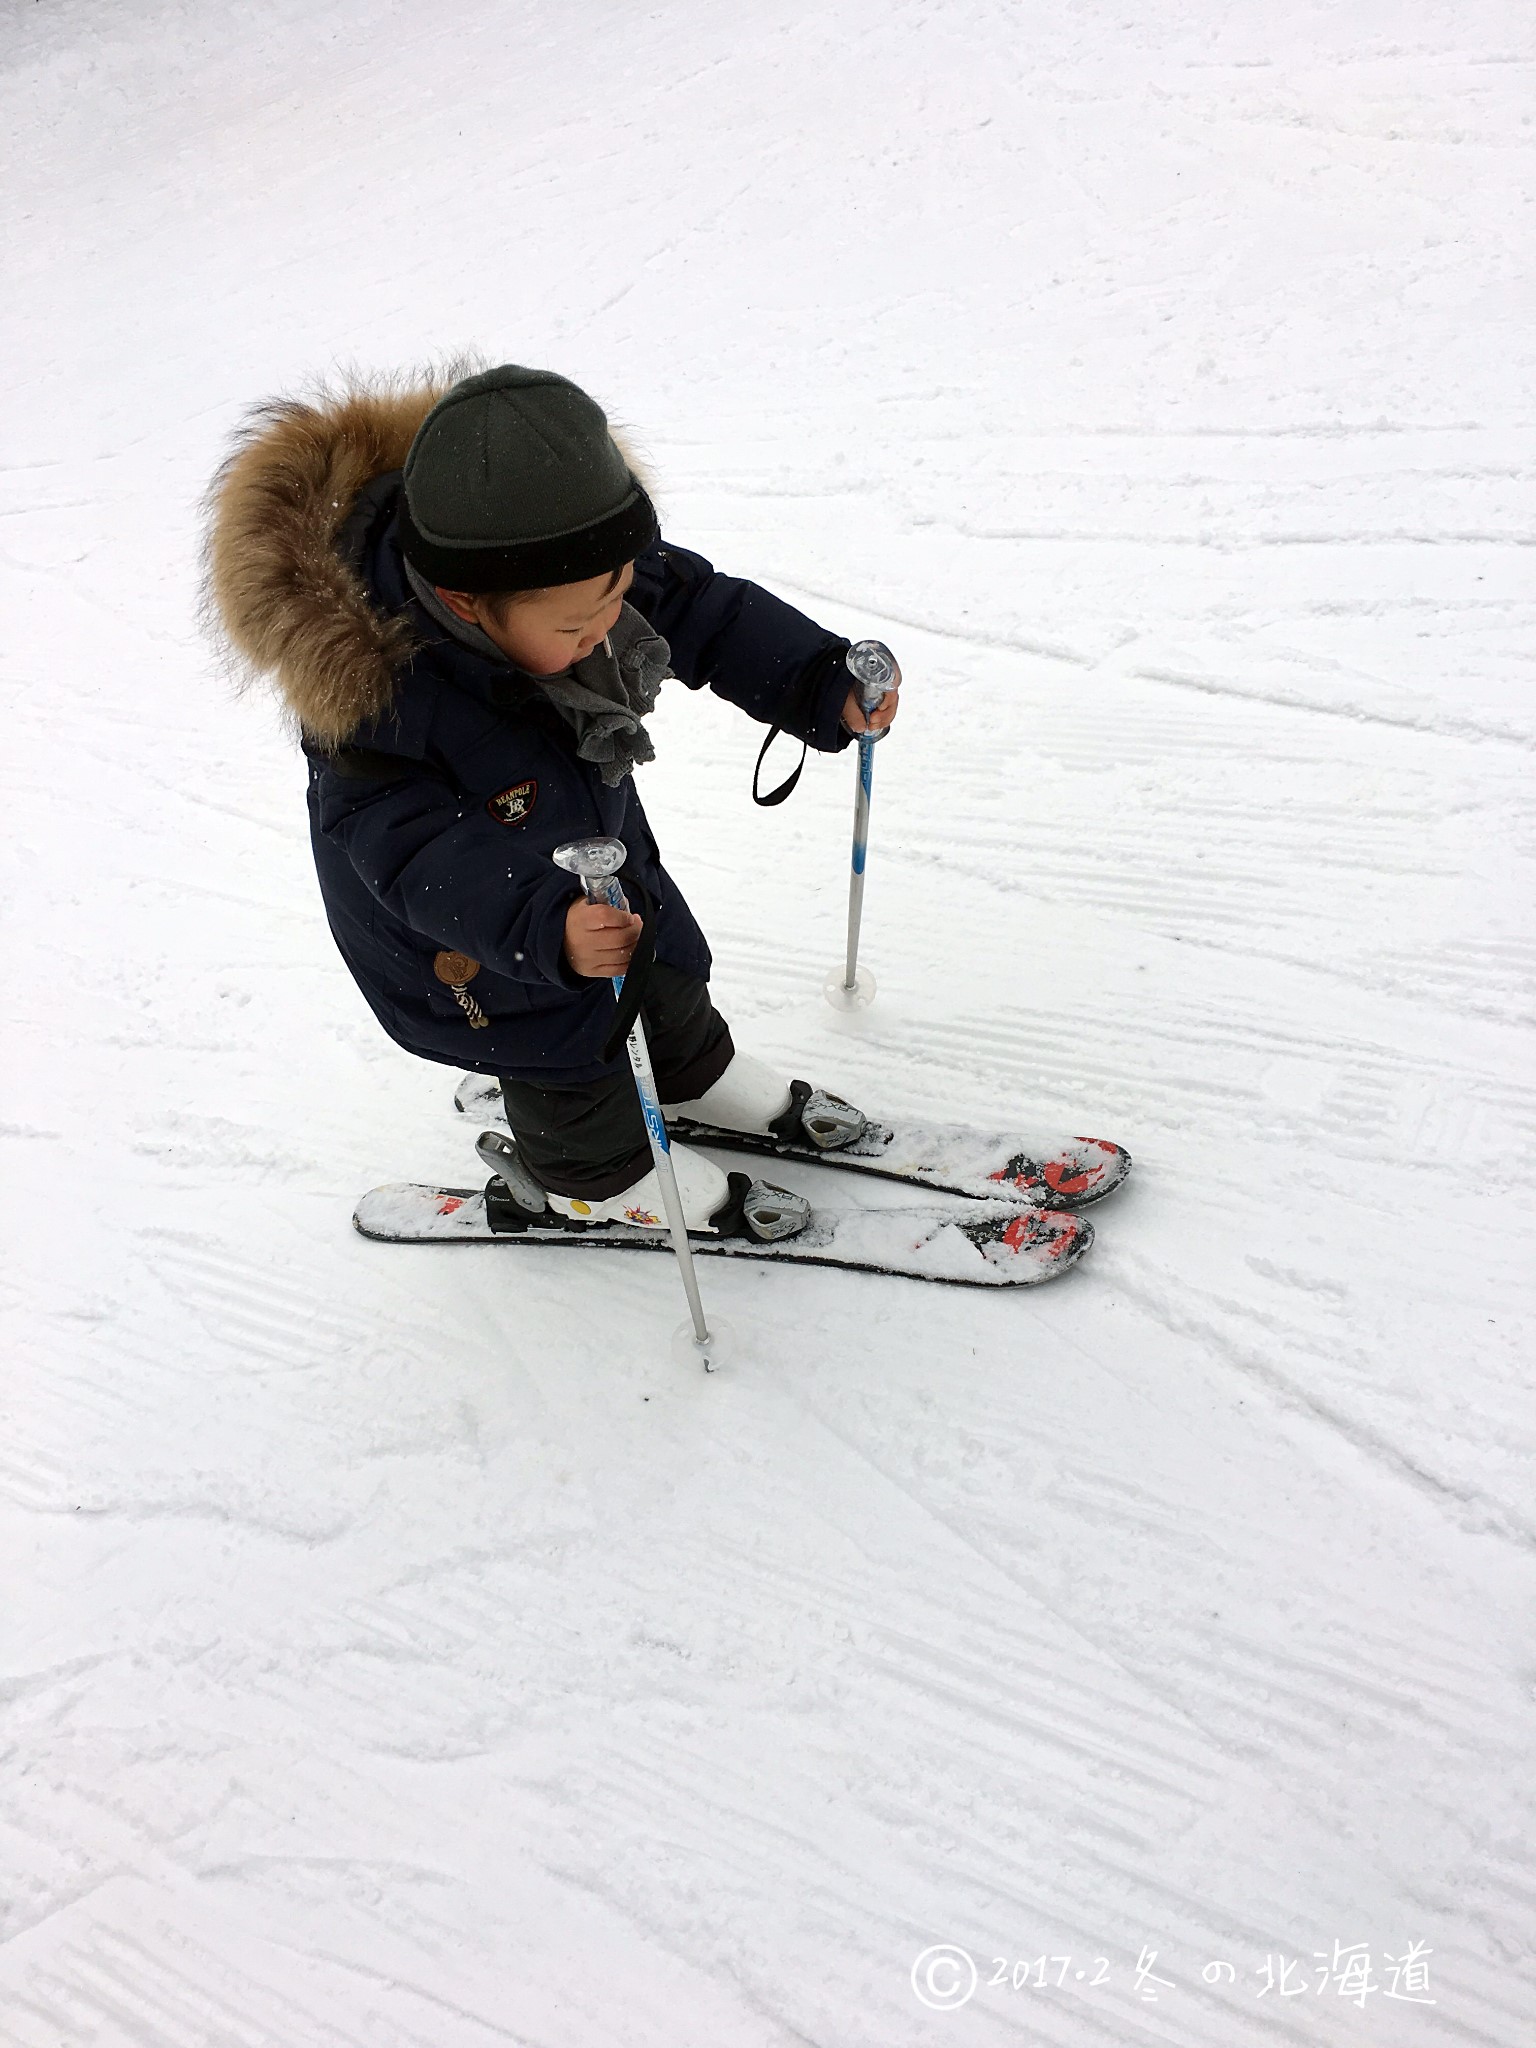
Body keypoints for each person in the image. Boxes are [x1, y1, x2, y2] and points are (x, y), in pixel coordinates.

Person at [205, 363, 899, 1234]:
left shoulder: (567, 564)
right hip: (479, 934)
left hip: (599, 857)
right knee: (557, 1041)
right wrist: (541, 929)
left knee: (664, 960)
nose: (608, 626)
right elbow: (408, 850)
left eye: (616, 595)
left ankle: (690, 1072)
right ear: (465, 602)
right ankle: (590, 1175)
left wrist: (816, 680)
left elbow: (703, 610)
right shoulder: (380, 697)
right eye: (576, 628)